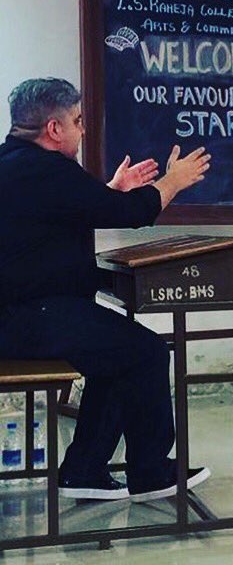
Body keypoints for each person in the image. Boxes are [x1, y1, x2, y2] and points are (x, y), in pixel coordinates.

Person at [0, 78, 211, 502]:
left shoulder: (15, 163)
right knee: (147, 352)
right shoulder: (47, 169)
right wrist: (173, 181)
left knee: (115, 356)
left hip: (25, 313)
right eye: (77, 121)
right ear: (54, 129)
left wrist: (110, 192)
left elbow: (62, 213)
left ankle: (84, 470)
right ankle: (151, 472)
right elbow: (130, 213)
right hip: (31, 316)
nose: (82, 130)